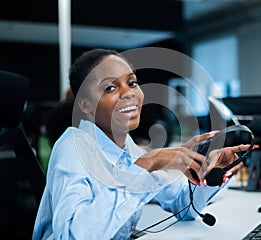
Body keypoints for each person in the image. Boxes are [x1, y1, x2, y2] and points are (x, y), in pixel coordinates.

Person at [33, 48, 249, 239]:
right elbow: (72, 236)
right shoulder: (73, 147)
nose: (129, 94)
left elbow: (183, 205)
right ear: (86, 106)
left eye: (132, 83)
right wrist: (146, 164)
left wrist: (211, 171)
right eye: (110, 88)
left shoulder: (126, 145)